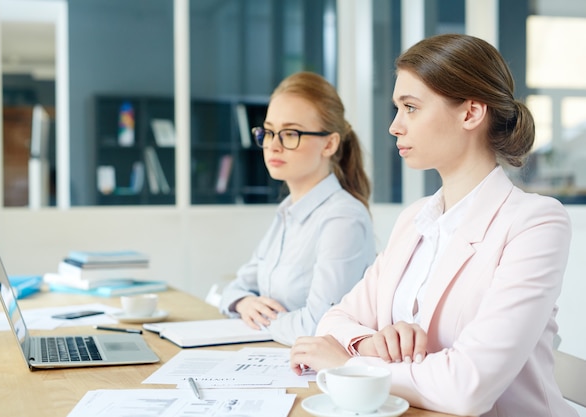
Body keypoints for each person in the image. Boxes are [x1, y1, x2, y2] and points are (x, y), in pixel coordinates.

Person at [290, 34, 576, 417]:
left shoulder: (535, 223)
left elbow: (467, 387)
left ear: (471, 113)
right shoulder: (416, 219)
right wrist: (374, 343)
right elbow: (335, 319)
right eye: (397, 108)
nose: (394, 126)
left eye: (410, 107)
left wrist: (350, 366)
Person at [219, 71, 377, 346]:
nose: (274, 146)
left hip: (316, 375)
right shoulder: (288, 212)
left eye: (290, 133)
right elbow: (236, 287)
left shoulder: (342, 218)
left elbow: (320, 325)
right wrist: (244, 303)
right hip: (274, 356)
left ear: (329, 143)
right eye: (268, 132)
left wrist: (263, 321)